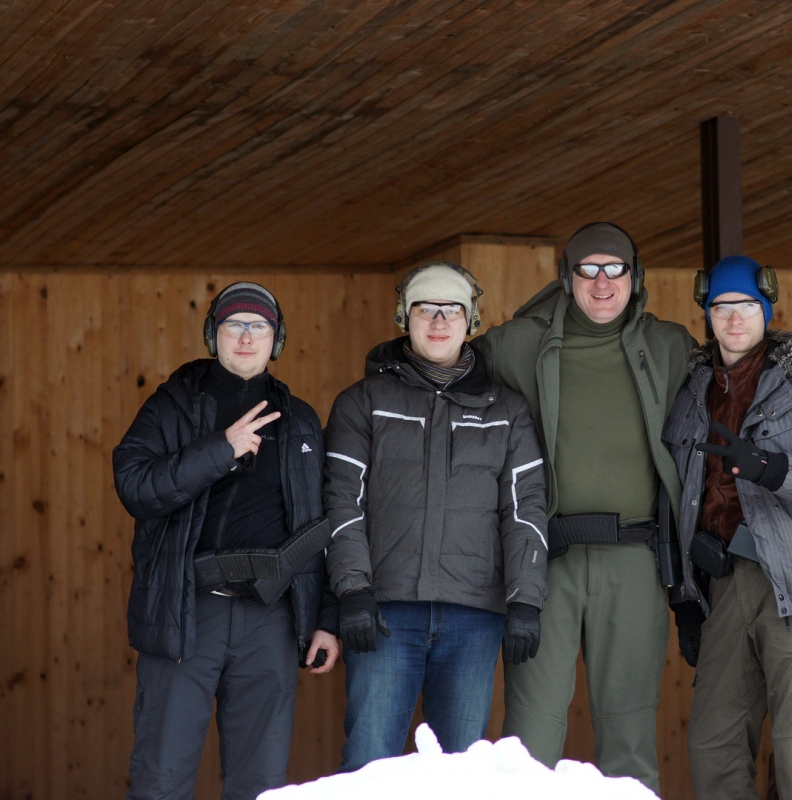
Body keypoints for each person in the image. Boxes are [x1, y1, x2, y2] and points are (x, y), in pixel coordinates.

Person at [474, 222, 693, 792]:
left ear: (634, 276)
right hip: (546, 561)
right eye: (587, 269)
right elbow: (449, 368)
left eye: (614, 269)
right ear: (566, 278)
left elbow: (736, 376)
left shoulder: (669, 346)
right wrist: (395, 361)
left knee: (629, 736)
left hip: (635, 561)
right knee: (529, 737)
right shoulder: (517, 344)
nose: (602, 283)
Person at [113, 282, 340, 800]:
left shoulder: (300, 419)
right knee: (161, 778)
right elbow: (135, 486)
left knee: (260, 783)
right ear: (212, 335)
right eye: (233, 325)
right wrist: (222, 449)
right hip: (187, 612)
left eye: (258, 326)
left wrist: (326, 618)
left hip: (271, 619)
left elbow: (320, 527)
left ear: (277, 339)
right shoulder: (172, 405)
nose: (246, 337)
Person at [323, 261, 548, 772]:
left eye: (453, 310)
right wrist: (353, 591)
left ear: (471, 321)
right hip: (385, 612)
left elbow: (525, 508)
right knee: (370, 767)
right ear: (405, 317)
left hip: (474, 618)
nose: (440, 321)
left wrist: (525, 598)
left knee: (460, 770)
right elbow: (342, 501)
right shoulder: (364, 403)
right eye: (426, 309)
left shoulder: (506, 411)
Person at [662, 256, 792, 800]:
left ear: (766, 311)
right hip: (721, 586)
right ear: (708, 314)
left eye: (747, 306)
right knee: (713, 749)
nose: (734, 319)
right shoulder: (690, 393)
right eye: (722, 307)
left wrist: (771, 469)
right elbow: (677, 497)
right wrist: (684, 598)